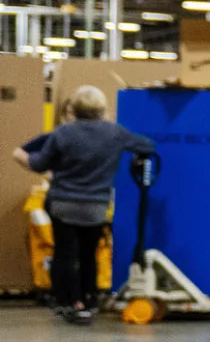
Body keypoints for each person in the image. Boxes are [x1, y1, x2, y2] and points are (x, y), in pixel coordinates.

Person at [14, 83, 156, 324]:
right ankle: (89, 300)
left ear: (74, 108)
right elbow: (147, 146)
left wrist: (20, 156)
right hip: (96, 206)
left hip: (63, 203)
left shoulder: (62, 134)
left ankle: (68, 301)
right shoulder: (115, 133)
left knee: (64, 254)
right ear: (102, 108)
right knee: (89, 254)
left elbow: (39, 163)